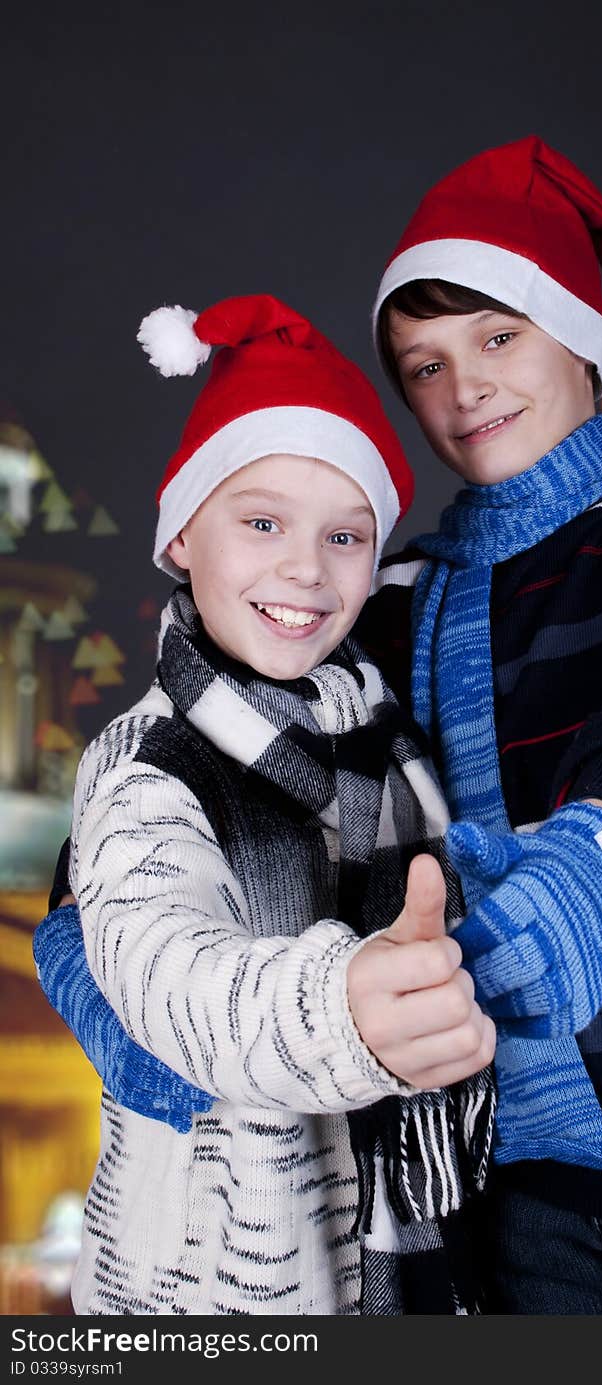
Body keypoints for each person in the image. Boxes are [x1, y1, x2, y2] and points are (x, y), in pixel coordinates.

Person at [37, 135, 602, 1314]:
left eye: (498, 337)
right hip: (499, 1186)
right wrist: (99, 981)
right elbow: (184, 775)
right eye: (422, 363)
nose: (464, 386)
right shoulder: (383, 600)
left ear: (583, 336)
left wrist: (597, 850)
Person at [32, 292, 496, 1317]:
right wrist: (344, 1008)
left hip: (393, 1253)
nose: (304, 566)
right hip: (209, 1279)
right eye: (261, 521)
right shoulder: (150, 756)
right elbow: (170, 971)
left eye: (344, 534)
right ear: (181, 538)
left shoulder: (389, 743)